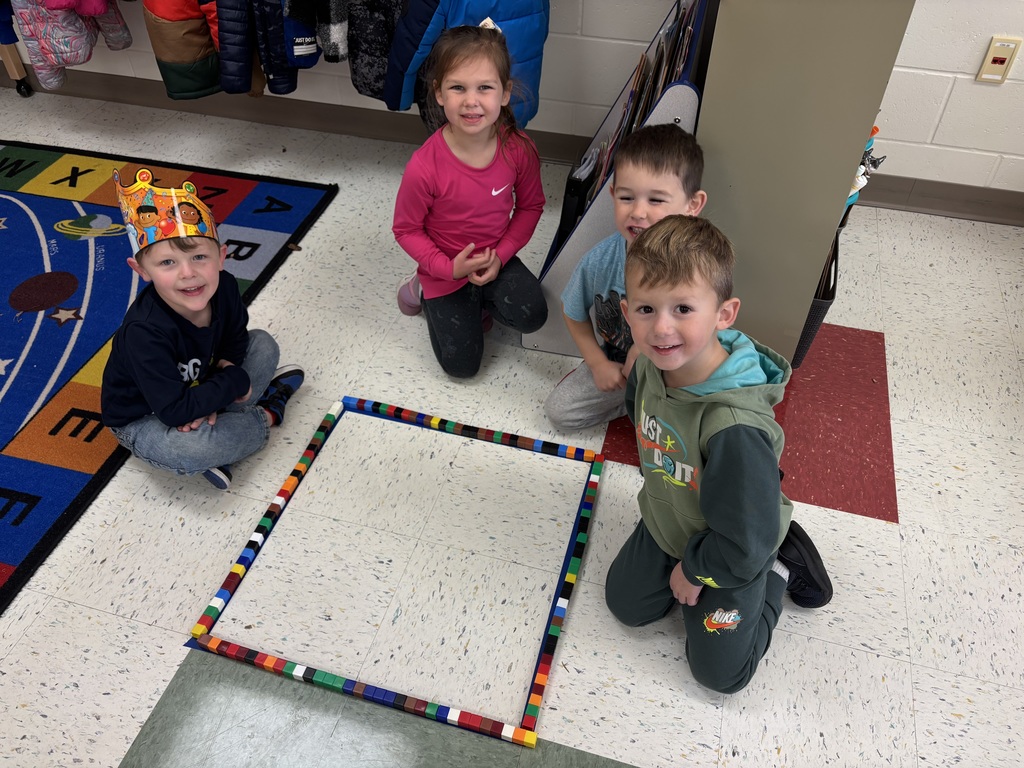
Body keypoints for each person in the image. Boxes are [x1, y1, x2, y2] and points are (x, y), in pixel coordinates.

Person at [605, 215, 833, 694]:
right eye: (646, 308)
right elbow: (643, 424)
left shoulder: (735, 429)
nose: (662, 327)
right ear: (627, 312)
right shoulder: (650, 363)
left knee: (720, 675)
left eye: (683, 308)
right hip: (674, 519)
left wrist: (695, 570)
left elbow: (742, 539)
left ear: (724, 314)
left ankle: (779, 566)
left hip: (736, 544)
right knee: (625, 605)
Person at [101, 168, 305, 491]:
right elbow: (173, 411)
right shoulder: (144, 332)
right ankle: (266, 415)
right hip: (146, 418)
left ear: (221, 257)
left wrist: (219, 379)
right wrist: (232, 381)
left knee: (264, 345)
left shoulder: (223, 286)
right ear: (141, 270)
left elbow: (237, 338)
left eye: (199, 256)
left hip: (202, 383)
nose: (189, 274)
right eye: (167, 263)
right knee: (194, 448)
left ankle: (223, 431)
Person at [392, 22, 548, 378]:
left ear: (505, 92)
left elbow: (530, 207)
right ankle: (421, 288)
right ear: (439, 93)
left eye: (485, 88)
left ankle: (477, 299)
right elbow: (406, 229)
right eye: (458, 87)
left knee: (533, 315)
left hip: (495, 257)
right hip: (443, 267)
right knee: (461, 368)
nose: (471, 100)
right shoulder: (424, 166)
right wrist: (446, 269)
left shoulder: (519, 150)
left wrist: (502, 255)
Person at [544, 123, 707, 431]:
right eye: (627, 197)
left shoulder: (700, 267)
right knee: (560, 412)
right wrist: (598, 364)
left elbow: (707, 335)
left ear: (692, 205)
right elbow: (573, 312)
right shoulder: (600, 260)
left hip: (673, 370)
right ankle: (632, 401)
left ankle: (655, 405)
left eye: (656, 200)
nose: (638, 212)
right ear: (612, 194)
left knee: (696, 425)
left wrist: (646, 349)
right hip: (620, 367)